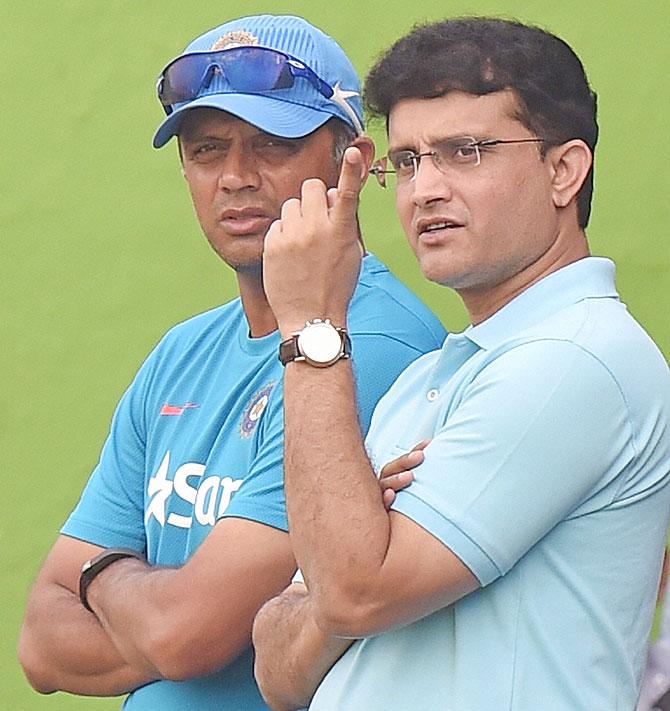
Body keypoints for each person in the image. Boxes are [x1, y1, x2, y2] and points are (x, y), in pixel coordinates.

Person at [17, 14, 446, 710]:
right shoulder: (181, 353)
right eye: (207, 149)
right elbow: (41, 642)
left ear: (355, 162)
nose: (235, 177)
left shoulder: (370, 345)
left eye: (272, 144)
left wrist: (99, 575)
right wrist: (156, 619)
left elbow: (188, 635)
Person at [253, 17, 670, 710]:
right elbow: (276, 668)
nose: (424, 190)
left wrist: (312, 327)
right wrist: (349, 566)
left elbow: (352, 593)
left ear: (564, 171)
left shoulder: (577, 357)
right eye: (409, 160)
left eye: (465, 151)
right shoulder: (428, 377)